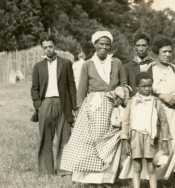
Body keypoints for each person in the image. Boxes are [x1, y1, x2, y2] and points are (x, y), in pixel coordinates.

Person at [60, 31, 129, 184]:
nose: (104, 47)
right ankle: (90, 179)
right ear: (95, 45)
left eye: (107, 44)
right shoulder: (87, 64)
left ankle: (107, 178)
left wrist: (120, 94)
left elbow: (124, 84)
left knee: (112, 141)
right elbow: (82, 90)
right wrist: (78, 111)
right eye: (101, 44)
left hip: (113, 106)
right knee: (91, 141)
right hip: (93, 107)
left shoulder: (116, 63)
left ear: (110, 46)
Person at [30, 35, 77, 177]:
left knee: (65, 137)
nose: (48, 49)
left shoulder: (66, 63)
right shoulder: (38, 66)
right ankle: (46, 171)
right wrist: (39, 105)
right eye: (45, 47)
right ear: (42, 49)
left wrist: (74, 107)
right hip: (45, 104)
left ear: (54, 46)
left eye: (50, 46)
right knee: (46, 138)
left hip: (63, 103)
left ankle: (64, 170)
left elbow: (71, 86)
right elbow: (34, 89)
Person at [147, 38, 175, 188]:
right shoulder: (150, 69)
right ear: (157, 53)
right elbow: (144, 89)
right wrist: (161, 96)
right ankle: (155, 181)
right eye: (164, 52)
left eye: (170, 52)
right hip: (156, 111)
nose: (167, 54)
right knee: (158, 144)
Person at [121, 72, 171, 188]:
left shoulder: (156, 102)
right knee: (137, 165)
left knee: (151, 166)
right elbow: (126, 121)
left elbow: (163, 122)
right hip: (135, 136)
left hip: (150, 137)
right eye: (144, 86)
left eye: (149, 85)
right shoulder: (131, 102)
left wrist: (165, 139)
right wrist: (125, 139)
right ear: (137, 87)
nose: (147, 89)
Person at [125, 29, 156, 97]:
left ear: (148, 46)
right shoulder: (127, 67)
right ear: (134, 47)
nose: (141, 49)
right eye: (138, 45)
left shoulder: (155, 64)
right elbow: (125, 86)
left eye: (144, 45)